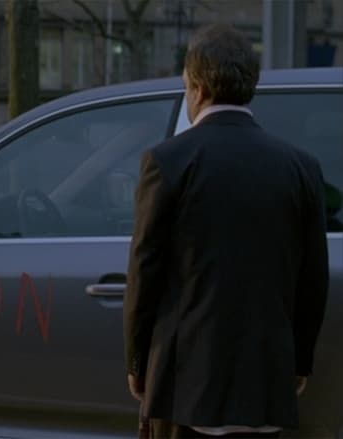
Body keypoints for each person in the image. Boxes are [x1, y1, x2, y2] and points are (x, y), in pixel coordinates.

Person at [123, 23, 329, 438]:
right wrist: (299, 361)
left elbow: (145, 272)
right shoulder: (301, 168)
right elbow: (313, 279)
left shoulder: (168, 162)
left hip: (185, 385)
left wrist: (138, 363)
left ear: (197, 87)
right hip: (266, 381)